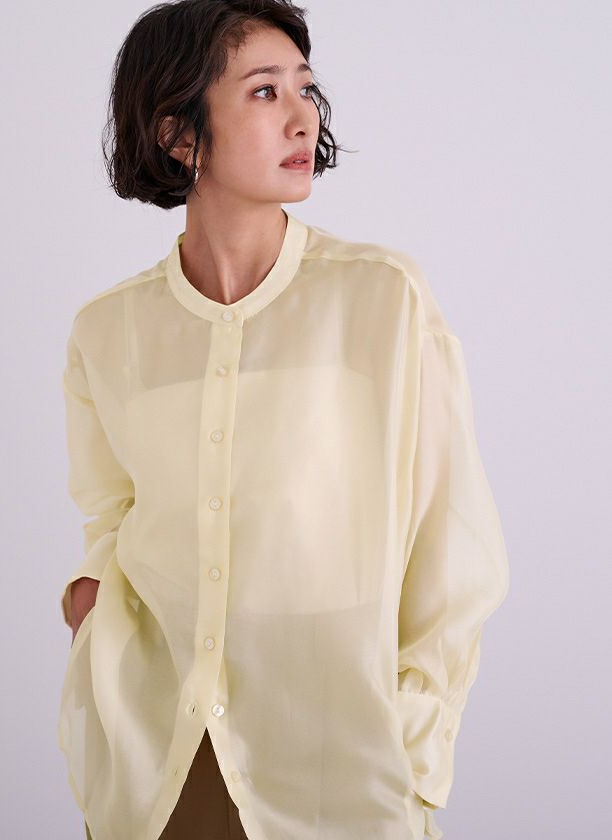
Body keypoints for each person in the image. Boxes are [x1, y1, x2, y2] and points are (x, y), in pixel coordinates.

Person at [56, 2, 510, 839]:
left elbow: (452, 539)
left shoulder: (381, 298)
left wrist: (415, 743)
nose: (304, 117)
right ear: (178, 134)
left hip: (343, 762)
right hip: (156, 766)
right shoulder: (107, 330)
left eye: (306, 88)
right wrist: (90, 607)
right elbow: (110, 516)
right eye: (265, 92)